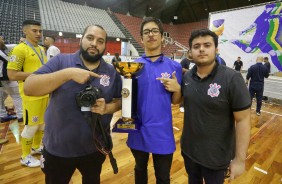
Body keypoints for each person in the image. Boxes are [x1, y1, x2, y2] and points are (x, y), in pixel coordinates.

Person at [24, 24, 122, 183]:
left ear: (104, 46)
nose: (94, 44)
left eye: (100, 41)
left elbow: (120, 101)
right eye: (90, 38)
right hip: (58, 149)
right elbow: (29, 87)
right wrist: (68, 74)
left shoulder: (111, 72)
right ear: (81, 39)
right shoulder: (61, 61)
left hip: (95, 148)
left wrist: (108, 108)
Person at [180, 29, 251, 183]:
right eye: (196, 46)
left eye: (207, 45)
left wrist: (240, 160)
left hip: (216, 157)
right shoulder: (187, 77)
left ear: (216, 49)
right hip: (189, 151)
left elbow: (243, 120)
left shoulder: (232, 78)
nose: (201, 49)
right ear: (191, 52)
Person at [127, 17, 182, 184]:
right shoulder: (132, 67)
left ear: (162, 37)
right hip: (138, 130)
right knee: (139, 170)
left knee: (163, 177)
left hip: (162, 132)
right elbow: (126, 100)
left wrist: (178, 89)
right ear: (141, 39)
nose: (150, 35)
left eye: (154, 31)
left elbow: (175, 101)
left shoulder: (174, 67)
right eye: (146, 32)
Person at [7, 20, 49, 167]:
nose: (38, 34)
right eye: (34, 31)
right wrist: (35, 75)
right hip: (30, 95)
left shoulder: (42, 49)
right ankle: (25, 156)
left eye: (40, 31)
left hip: (44, 93)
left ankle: (36, 146)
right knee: (31, 126)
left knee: (41, 124)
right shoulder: (19, 49)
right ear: (25, 31)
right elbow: (12, 74)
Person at [0, 36, 23, 123]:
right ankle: (21, 115)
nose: (3, 41)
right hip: (5, 77)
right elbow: (9, 59)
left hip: (2, 78)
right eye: (1, 39)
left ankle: (2, 115)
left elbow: (11, 46)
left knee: (1, 96)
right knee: (17, 95)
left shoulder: (3, 48)